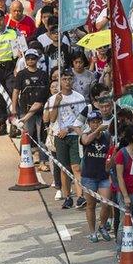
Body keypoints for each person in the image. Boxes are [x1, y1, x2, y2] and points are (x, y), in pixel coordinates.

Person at [46, 69, 86, 209]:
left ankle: (81, 196)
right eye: (64, 79)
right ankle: (67, 196)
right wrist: (56, 102)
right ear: (60, 81)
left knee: (76, 167)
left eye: (70, 79)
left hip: (73, 135)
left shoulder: (79, 97)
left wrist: (69, 129)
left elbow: (81, 118)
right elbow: (51, 119)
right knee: (64, 168)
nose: (67, 82)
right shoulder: (54, 98)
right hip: (59, 136)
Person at [80, 110, 113, 242]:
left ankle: (102, 225)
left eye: (98, 121)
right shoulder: (85, 134)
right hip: (89, 176)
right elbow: (86, 141)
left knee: (106, 203)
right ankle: (92, 231)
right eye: (93, 122)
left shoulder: (107, 135)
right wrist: (96, 131)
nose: (96, 124)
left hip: (104, 176)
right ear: (89, 123)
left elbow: (111, 149)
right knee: (90, 205)